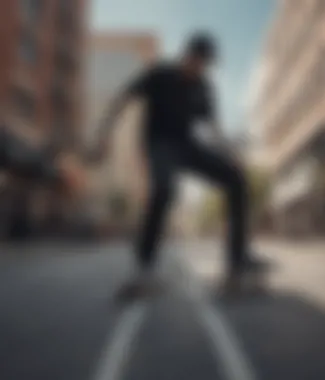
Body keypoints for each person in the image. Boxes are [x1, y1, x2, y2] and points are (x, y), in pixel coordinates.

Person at [93, 32, 267, 297]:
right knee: (164, 190)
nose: (201, 69)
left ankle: (236, 261)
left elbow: (213, 129)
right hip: (158, 144)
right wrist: (105, 133)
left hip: (187, 147)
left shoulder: (204, 88)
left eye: (206, 65)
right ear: (188, 56)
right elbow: (124, 98)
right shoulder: (160, 75)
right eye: (198, 62)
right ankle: (144, 266)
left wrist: (231, 155)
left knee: (236, 179)